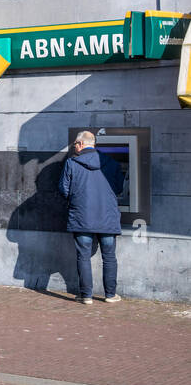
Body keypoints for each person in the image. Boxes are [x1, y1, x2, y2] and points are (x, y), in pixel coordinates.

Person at [59, 131, 124, 305]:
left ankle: (86, 296)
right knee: (109, 257)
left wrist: (76, 200)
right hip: (107, 217)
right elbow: (118, 188)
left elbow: (63, 189)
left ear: (80, 144)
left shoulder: (71, 163)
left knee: (83, 256)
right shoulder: (111, 163)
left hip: (81, 217)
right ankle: (110, 295)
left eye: (74, 145)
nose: (74, 148)